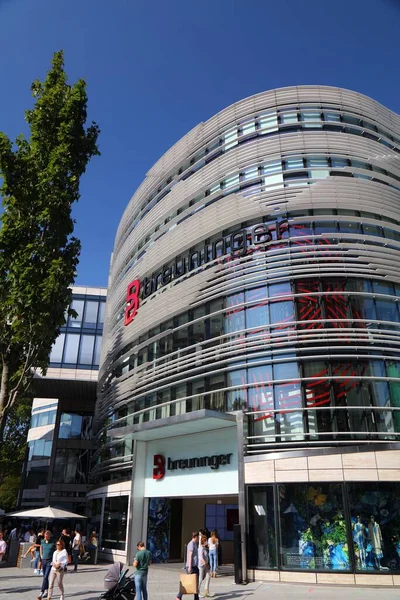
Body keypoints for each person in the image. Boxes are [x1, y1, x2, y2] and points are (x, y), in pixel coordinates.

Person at [176, 531, 199, 600]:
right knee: (190, 582)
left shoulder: (195, 544)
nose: (199, 538)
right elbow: (190, 555)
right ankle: (179, 595)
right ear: (195, 537)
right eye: (198, 537)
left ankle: (196, 598)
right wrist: (189, 566)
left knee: (195, 583)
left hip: (195, 566)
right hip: (191, 566)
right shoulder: (191, 544)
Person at [38, 530, 55, 599]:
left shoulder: (53, 542)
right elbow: (41, 548)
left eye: (47, 535)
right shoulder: (42, 541)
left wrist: (54, 560)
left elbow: (55, 551)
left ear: (49, 536)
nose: (46, 536)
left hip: (49, 561)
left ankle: (41, 592)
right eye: (45, 535)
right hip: (44, 560)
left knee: (45, 576)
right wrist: (41, 556)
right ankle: (46, 591)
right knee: (45, 577)